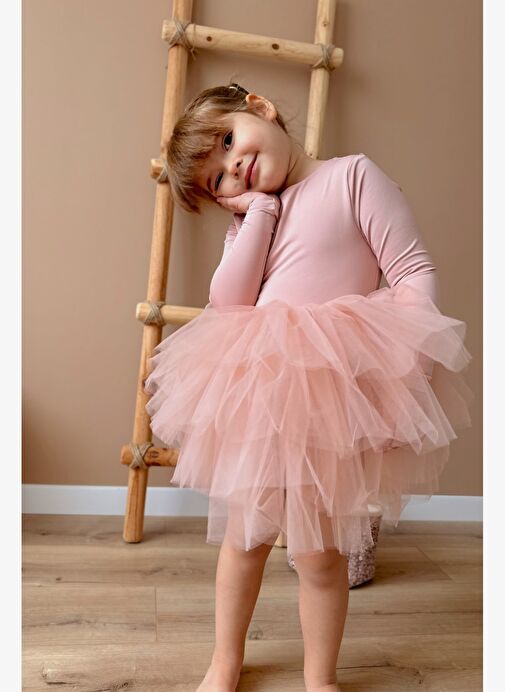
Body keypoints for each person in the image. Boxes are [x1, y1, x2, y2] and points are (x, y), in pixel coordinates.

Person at [143, 82, 474, 692]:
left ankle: (320, 677)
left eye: (228, 141)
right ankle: (225, 661)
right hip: (264, 399)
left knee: (321, 554)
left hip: (329, 398)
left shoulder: (352, 177)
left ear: (260, 108)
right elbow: (230, 302)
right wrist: (259, 213)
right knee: (245, 537)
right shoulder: (251, 219)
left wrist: (410, 374)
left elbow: (411, 271)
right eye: (218, 180)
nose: (233, 169)